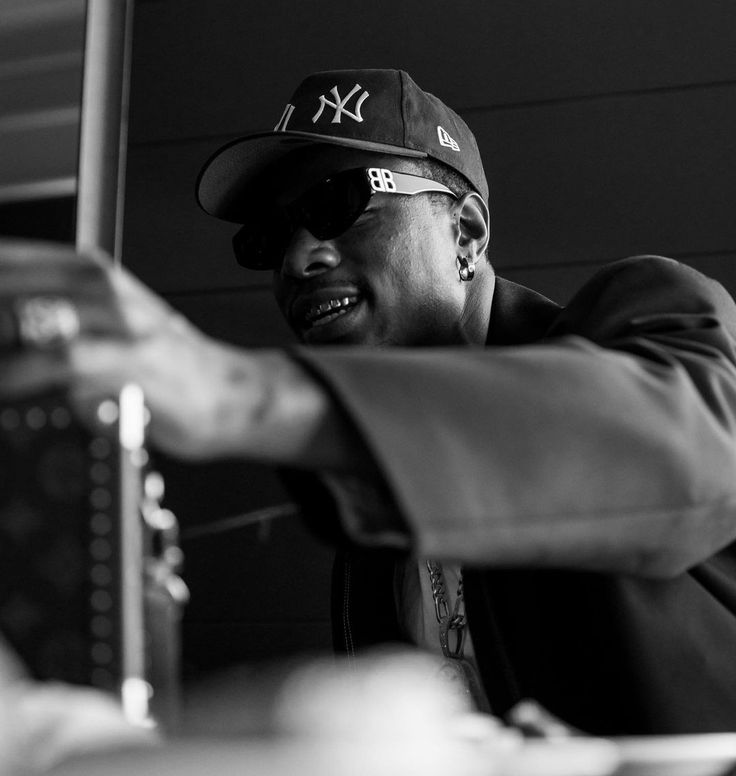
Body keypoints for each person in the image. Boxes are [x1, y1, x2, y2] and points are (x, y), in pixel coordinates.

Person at [3, 68, 736, 738]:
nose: (298, 259)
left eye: (338, 204)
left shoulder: (647, 322)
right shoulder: (371, 514)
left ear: (467, 233)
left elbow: (679, 447)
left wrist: (237, 394)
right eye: (269, 238)